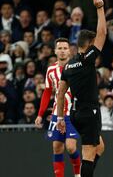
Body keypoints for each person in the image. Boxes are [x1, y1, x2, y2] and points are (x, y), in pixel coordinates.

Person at [56, 0, 106, 177]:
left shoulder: (68, 65)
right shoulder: (87, 59)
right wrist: (100, 8)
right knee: (88, 154)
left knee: (100, 146)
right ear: (89, 45)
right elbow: (102, 34)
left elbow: (60, 94)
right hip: (89, 113)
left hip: (74, 114)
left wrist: (61, 118)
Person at [35, 38, 81, 177]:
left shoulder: (77, 67)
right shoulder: (51, 70)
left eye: (65, 48)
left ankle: (78, 173)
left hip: (73, 113)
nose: (62, 51)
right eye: (59, 48)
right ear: (55, 51)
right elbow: (47, 92)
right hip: (57, 113)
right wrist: (40, 114)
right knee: (57, 148)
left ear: (70, 51)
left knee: (71, 147)